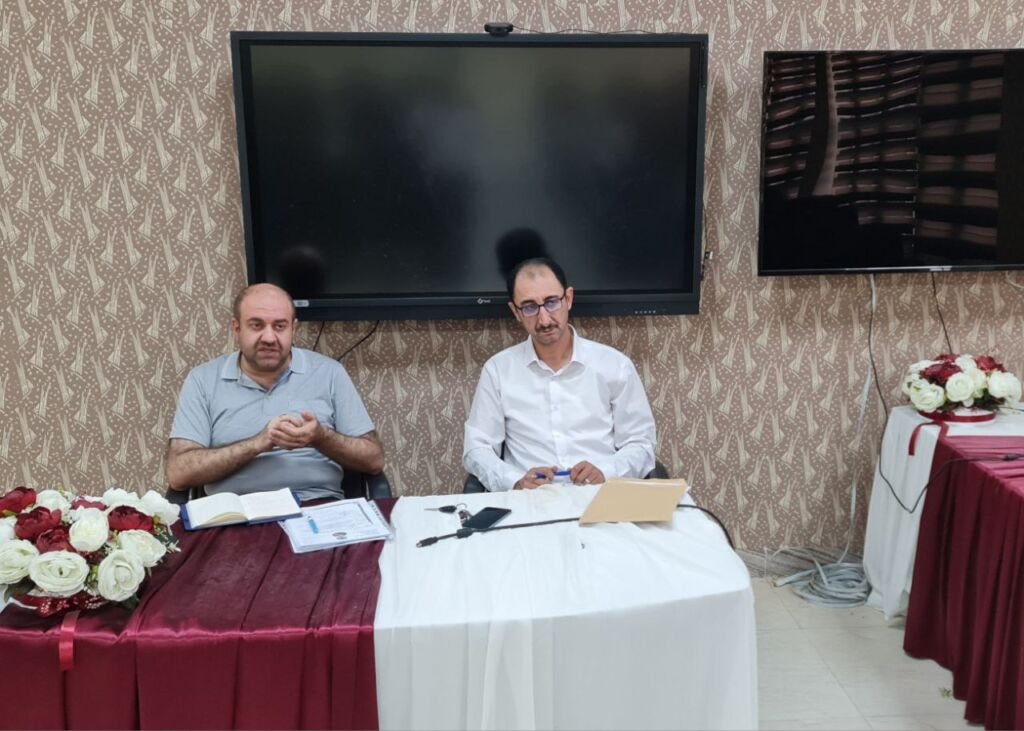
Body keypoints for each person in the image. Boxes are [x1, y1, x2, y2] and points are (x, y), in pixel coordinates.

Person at [166, 283, 384, 502]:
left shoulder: (329, 372)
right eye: (256, 325)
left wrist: (321, 437)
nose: (269, 338)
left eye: (279, 326)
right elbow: (178, 474)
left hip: (317, 505)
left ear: (293, 329)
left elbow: (373, 460)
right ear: (237, 329)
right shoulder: (202, 380)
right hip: (235, 511)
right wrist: (258, 443)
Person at [463, 257, 656, 491]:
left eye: (552, 302)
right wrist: (515, 481)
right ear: (515, 311)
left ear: (569, 299)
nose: (544, 320)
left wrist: (606, 471)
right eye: (529, 307)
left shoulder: (615, 365)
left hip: (601, 496)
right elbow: (477, 448)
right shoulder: (498, 370)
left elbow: (641, 444)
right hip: (530, 501)